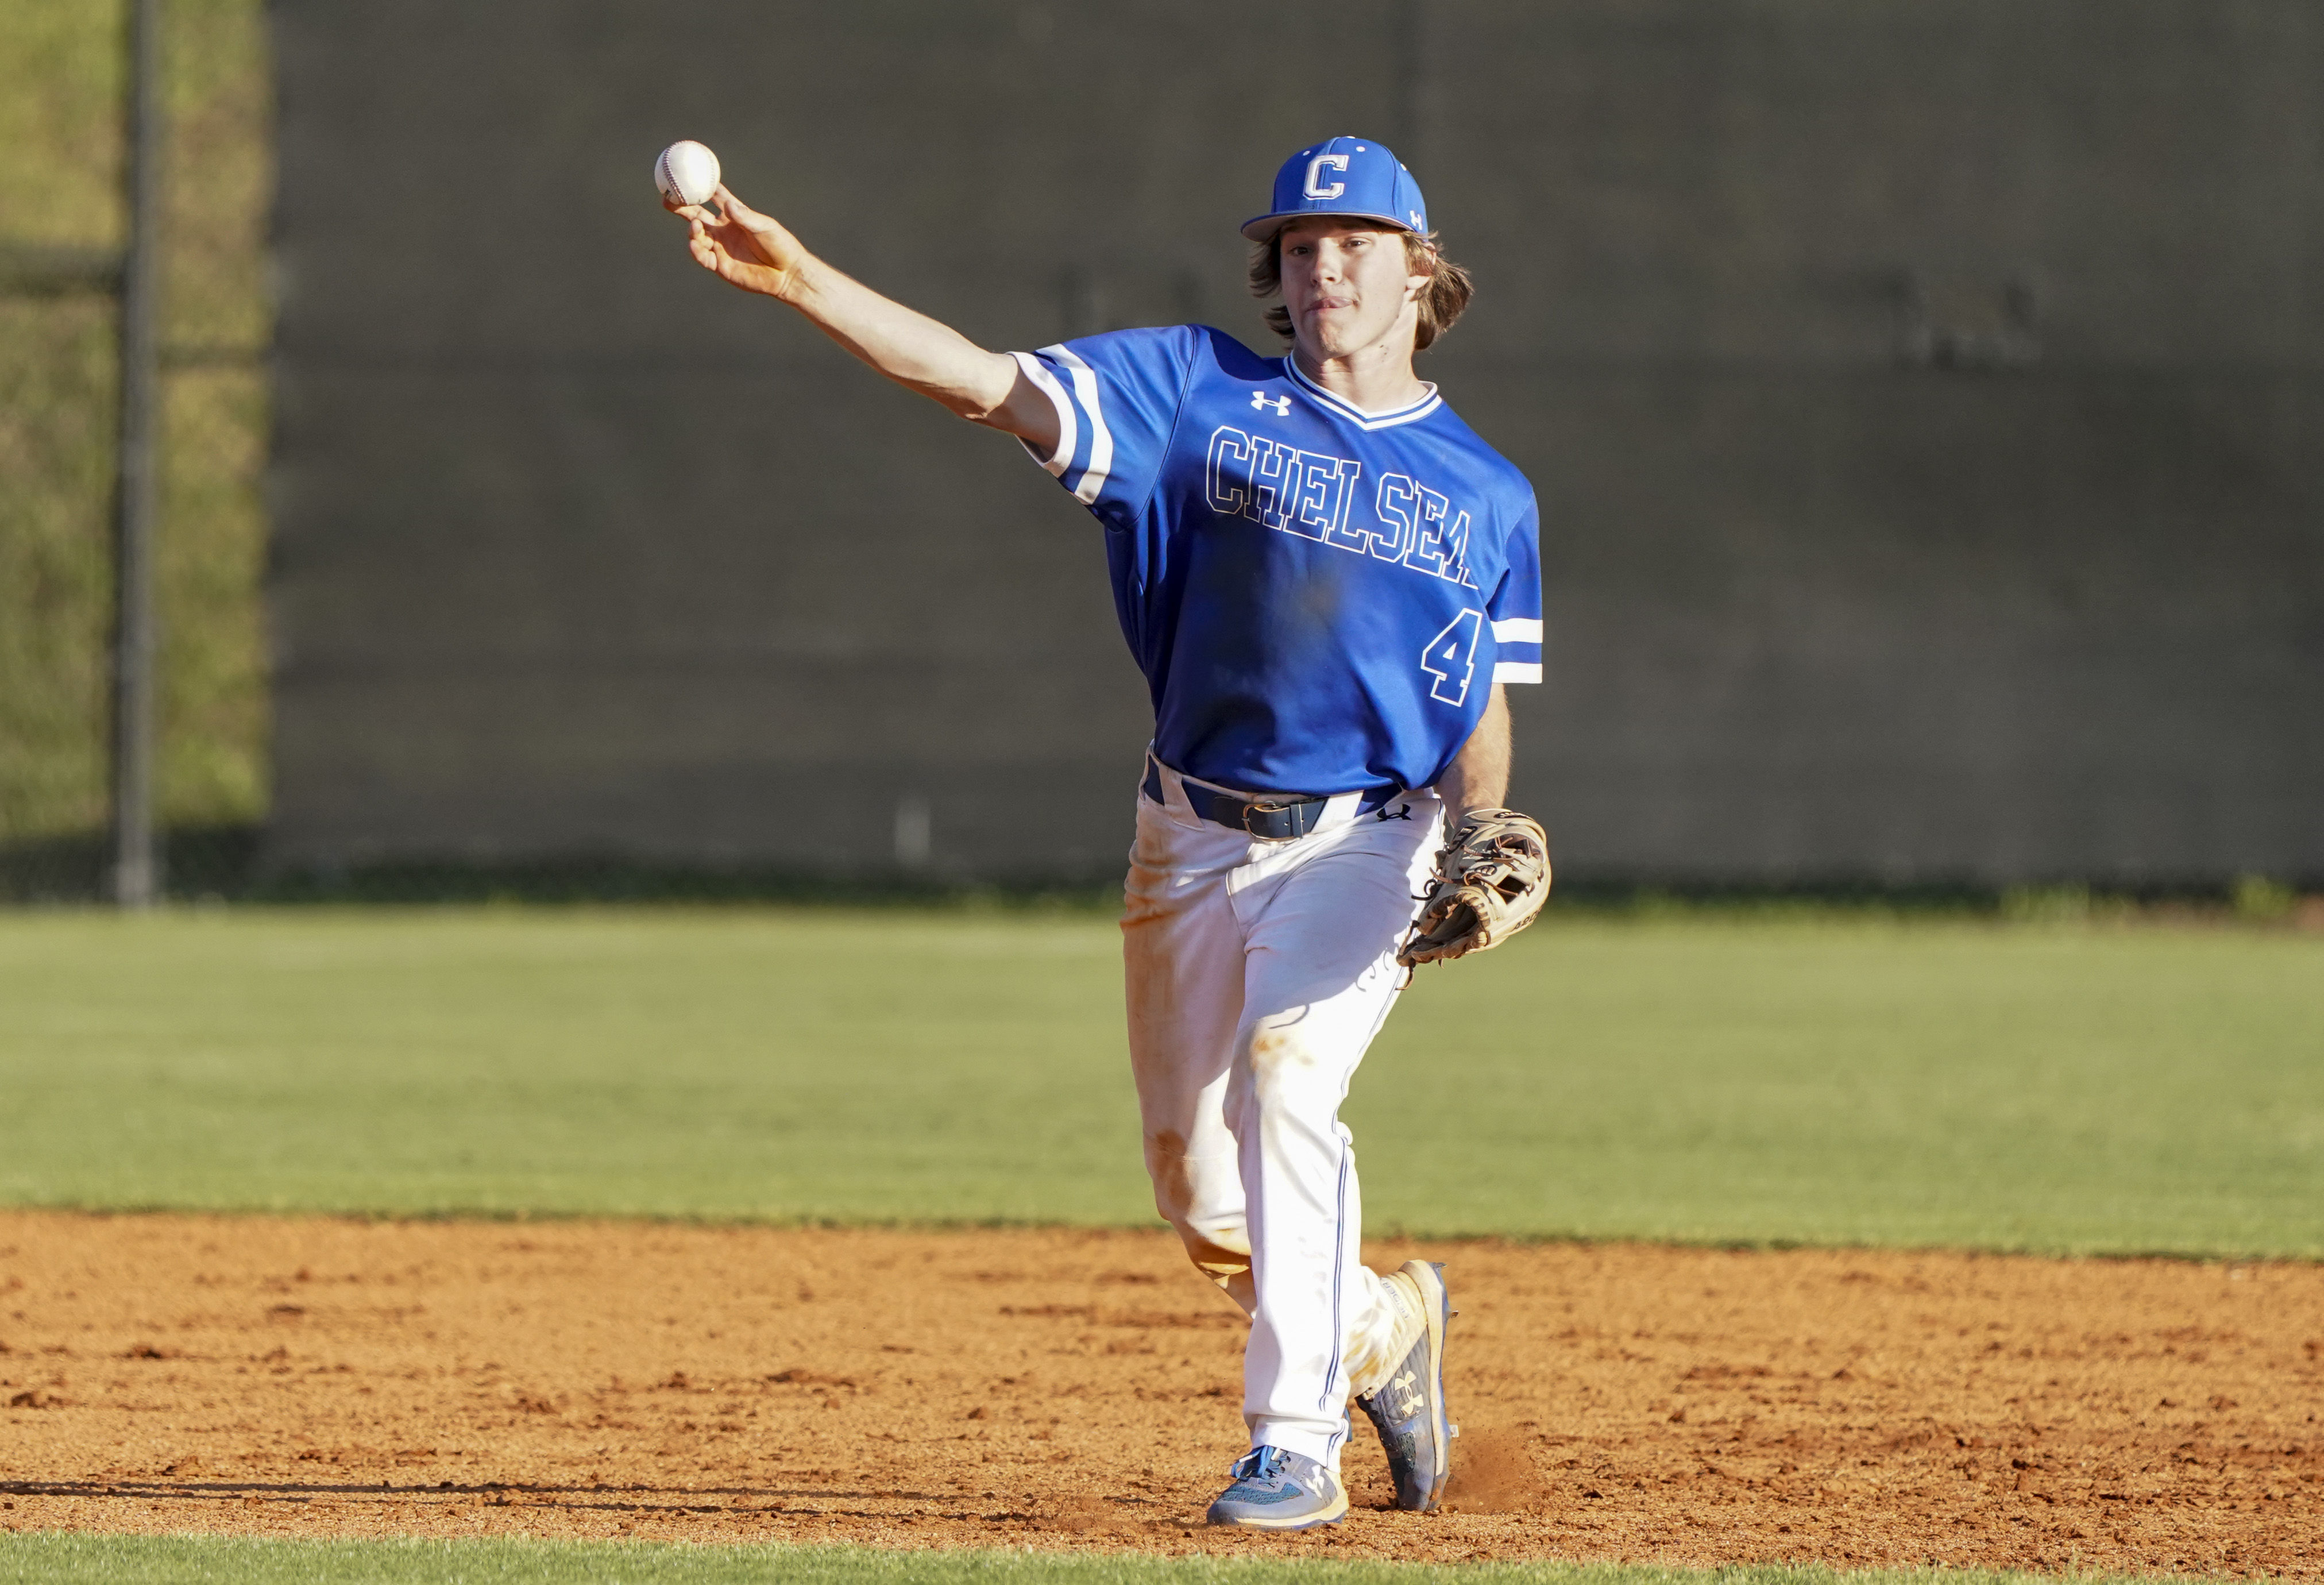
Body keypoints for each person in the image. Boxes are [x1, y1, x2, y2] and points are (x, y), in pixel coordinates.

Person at [667, 134, 1546, 1530]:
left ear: (1419, 272)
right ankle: (1384, 1331)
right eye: (1304, 246)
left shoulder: (1488, 493)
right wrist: (805, 282)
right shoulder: (1195, 394)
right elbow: (980, 381)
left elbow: (1473, 690)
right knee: (1202, 1202)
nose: (1326, 268)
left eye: (1357, 245)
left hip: (1366, 843)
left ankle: (1293, 1444)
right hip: (1188, 835)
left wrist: (1487, 824)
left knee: (1290, 1083)